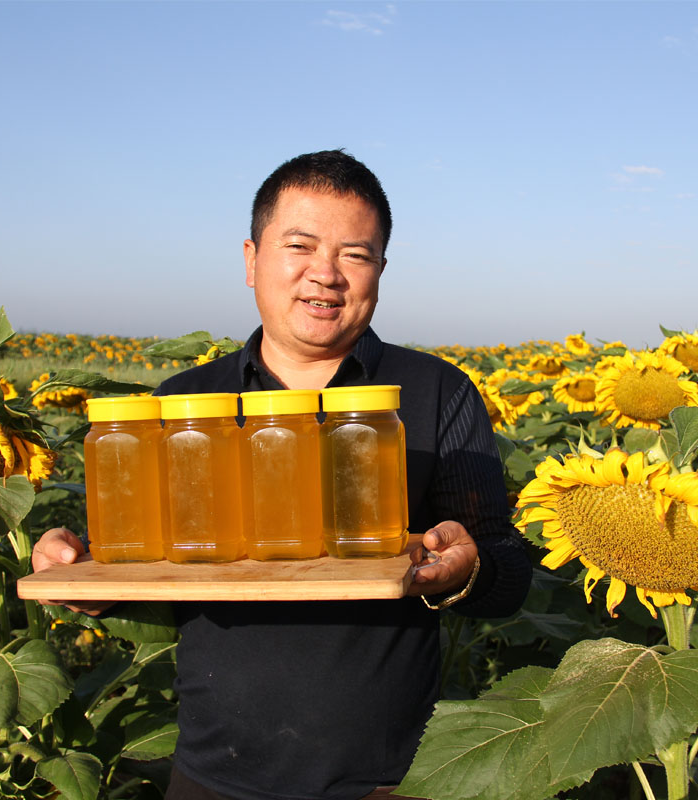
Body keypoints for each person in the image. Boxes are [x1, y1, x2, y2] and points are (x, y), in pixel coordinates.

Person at [33, 150, 532, 800]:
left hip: (391, 778)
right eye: (300, 245)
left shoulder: (436, 392)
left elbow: (506, 570)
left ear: (380, 269)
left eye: (355, 254)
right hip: (214, 773)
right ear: (251, 259)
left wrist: (467, 569)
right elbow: (160, 556)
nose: (325, 275)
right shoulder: (186, 402)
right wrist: (89, 575)